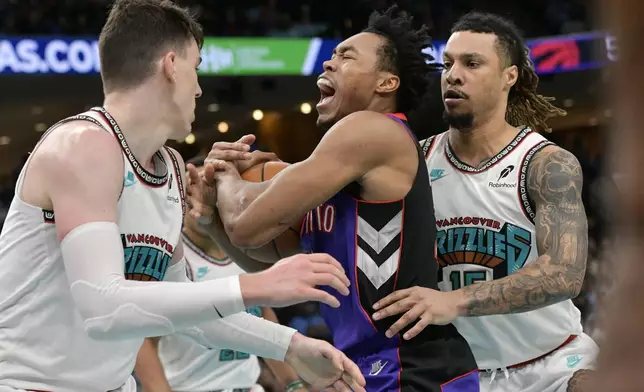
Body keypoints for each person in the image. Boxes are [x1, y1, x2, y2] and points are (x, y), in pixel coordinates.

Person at [0, 1, 366, 392]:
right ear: (171, 66)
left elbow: (187, 312)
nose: (200, 87)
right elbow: (102, 308)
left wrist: (291, 346)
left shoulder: (171, 167)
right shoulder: (83, 144)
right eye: (197, 67)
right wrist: (259, 285)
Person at [188, 6, 479, 392]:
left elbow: (246, 225)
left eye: (346, 56)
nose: (329, 62)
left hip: (413, 365)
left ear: (385, 84)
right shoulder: (337, 171)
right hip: (370, 365)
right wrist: (211, 219)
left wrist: (226, 175)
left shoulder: (372, 130)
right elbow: (263, 256)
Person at [369, 12, 595, 392]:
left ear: (510, 76)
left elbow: (564, 273)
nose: (453, 75)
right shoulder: (414, 161)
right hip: (458, 377)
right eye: (448, 64)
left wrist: (453, 301)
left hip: (555, 363)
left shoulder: (545, 163)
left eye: (472, 63)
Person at [135, 156, 307, 392]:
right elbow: (142, 340)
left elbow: (262, 315)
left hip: (248, 386)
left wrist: (292, 383)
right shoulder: (168, 257)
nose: (199, 202)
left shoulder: (246, 252)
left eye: (208, 194)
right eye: (190, 195)